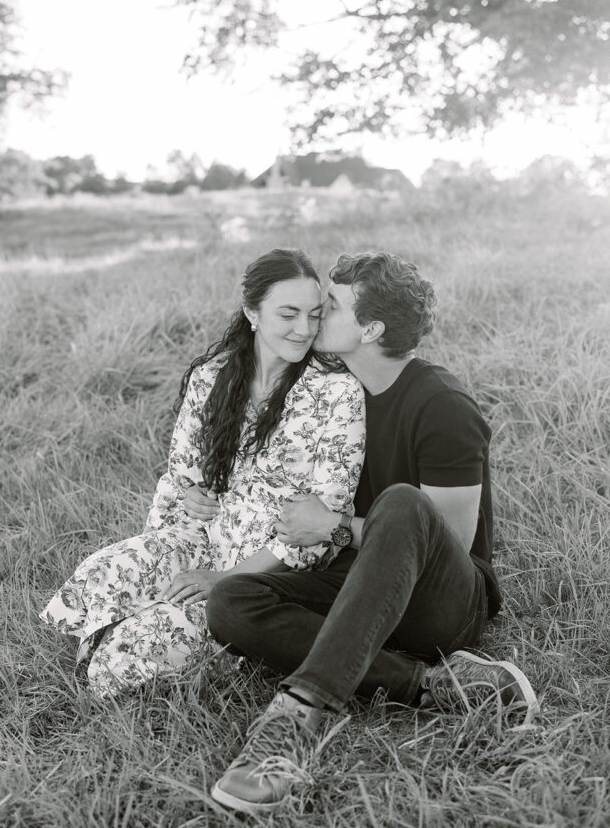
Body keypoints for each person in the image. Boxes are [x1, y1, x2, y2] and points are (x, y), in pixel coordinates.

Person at [205, 251, 539, 814]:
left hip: (443, 603)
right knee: (232, 599)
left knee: (403, 503)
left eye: (330, 306)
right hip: (363, 585)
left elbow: (447, 542)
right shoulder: (339, 391)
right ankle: (430, 687)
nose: (313, 316)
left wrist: (334, 525)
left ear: (371, 329)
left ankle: (297, 717)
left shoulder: (441, 404)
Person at [39, 248, 365, 698]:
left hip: (266, 574)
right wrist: (170, 536)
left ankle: (147, 651)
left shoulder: (336, 391)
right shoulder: (213, 376)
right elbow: (180, 479)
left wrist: (226, 580)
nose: (305, 329)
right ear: (252, 311)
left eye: (313, 315)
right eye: (288, 314)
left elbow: (321, 520)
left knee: (128, 651)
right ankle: (126, 630)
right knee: (102, 573)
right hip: (201, 539)